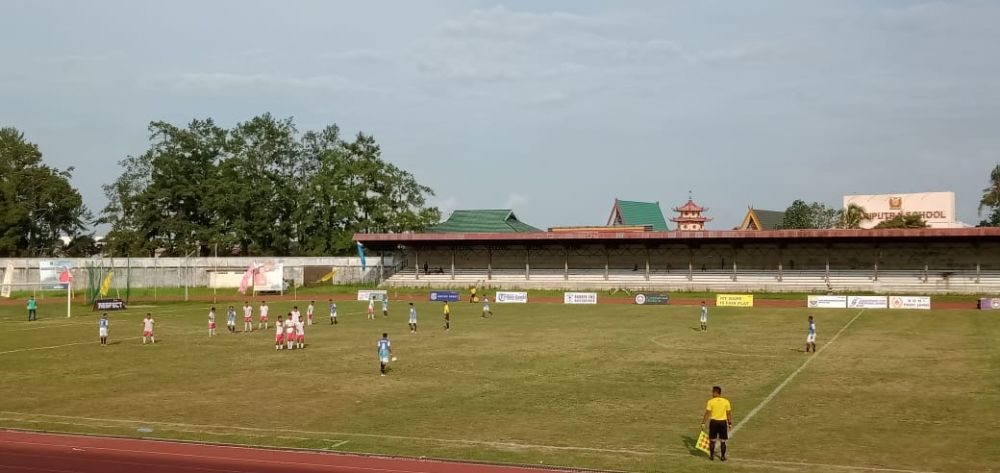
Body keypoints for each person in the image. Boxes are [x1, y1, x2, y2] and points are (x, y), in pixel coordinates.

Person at [701, 386, 733, 462]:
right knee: (723, 441)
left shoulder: (710, 402)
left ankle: (711, 456)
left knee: (712, 440)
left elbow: (707, 413)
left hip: (714, 422)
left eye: (713, 392)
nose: (712, 393)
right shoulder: (726, 401)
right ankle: (722, 457)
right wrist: (729, 423)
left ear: (716, 393)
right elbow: (728, 413)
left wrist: (703, 422)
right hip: (722, 423)